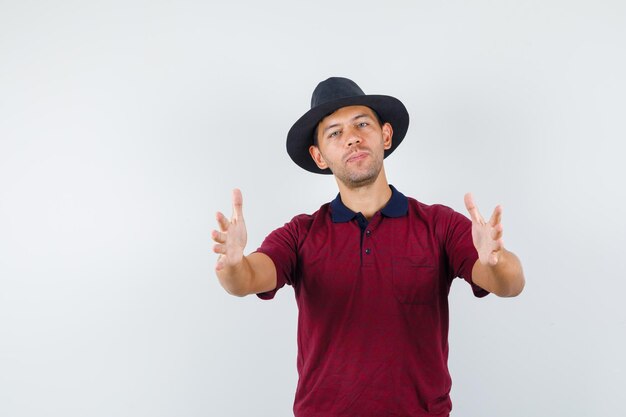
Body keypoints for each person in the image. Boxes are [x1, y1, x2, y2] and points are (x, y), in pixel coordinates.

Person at [211, 77, 525, 417]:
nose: (352, 138)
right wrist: (232, 264)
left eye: (362, 124)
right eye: (334, 133)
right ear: (319, 156)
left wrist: (495, 262)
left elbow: (510, 284)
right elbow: (246, 279)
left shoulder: (439, 225)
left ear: (385, 135)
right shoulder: (300, 234)